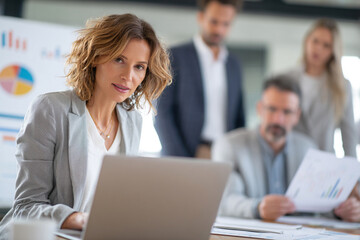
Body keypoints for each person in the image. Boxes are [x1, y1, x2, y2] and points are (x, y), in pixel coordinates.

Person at [0, 13, 172, 237]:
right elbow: (26, 207)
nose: (128, 76)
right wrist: (79, 219)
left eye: (139, 67)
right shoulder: (51, 109)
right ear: (95, 57)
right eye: (119, 59)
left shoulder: (133, 121)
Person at [213, 76, 360, 221]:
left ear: (297, 116)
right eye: (272, 109)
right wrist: (257, 207)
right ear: (259, 109)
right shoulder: (230, 146)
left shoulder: (307, 148)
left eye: (287, 112)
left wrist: (340, 211)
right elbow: (225, 201)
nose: (278, 119)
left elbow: (318, 203)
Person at [154, 0, 245, 158]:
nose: (219, 29)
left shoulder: (233, 65)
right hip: (185, 153)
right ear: (201, 17)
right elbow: (162, 113)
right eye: (214, 21)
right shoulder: (175, 56)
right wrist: (178, 158)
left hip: (224, 153)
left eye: (226, 24)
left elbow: (239, 117)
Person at [281, 18, 356, 157]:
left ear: (333, 51)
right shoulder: (286, 79)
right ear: (307, 41)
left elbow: (349, 134)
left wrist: (354, 172)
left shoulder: (342, 87)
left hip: (323, 159)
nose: (318, 49)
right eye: (315, 41)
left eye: (326, 45)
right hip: (290, 158)